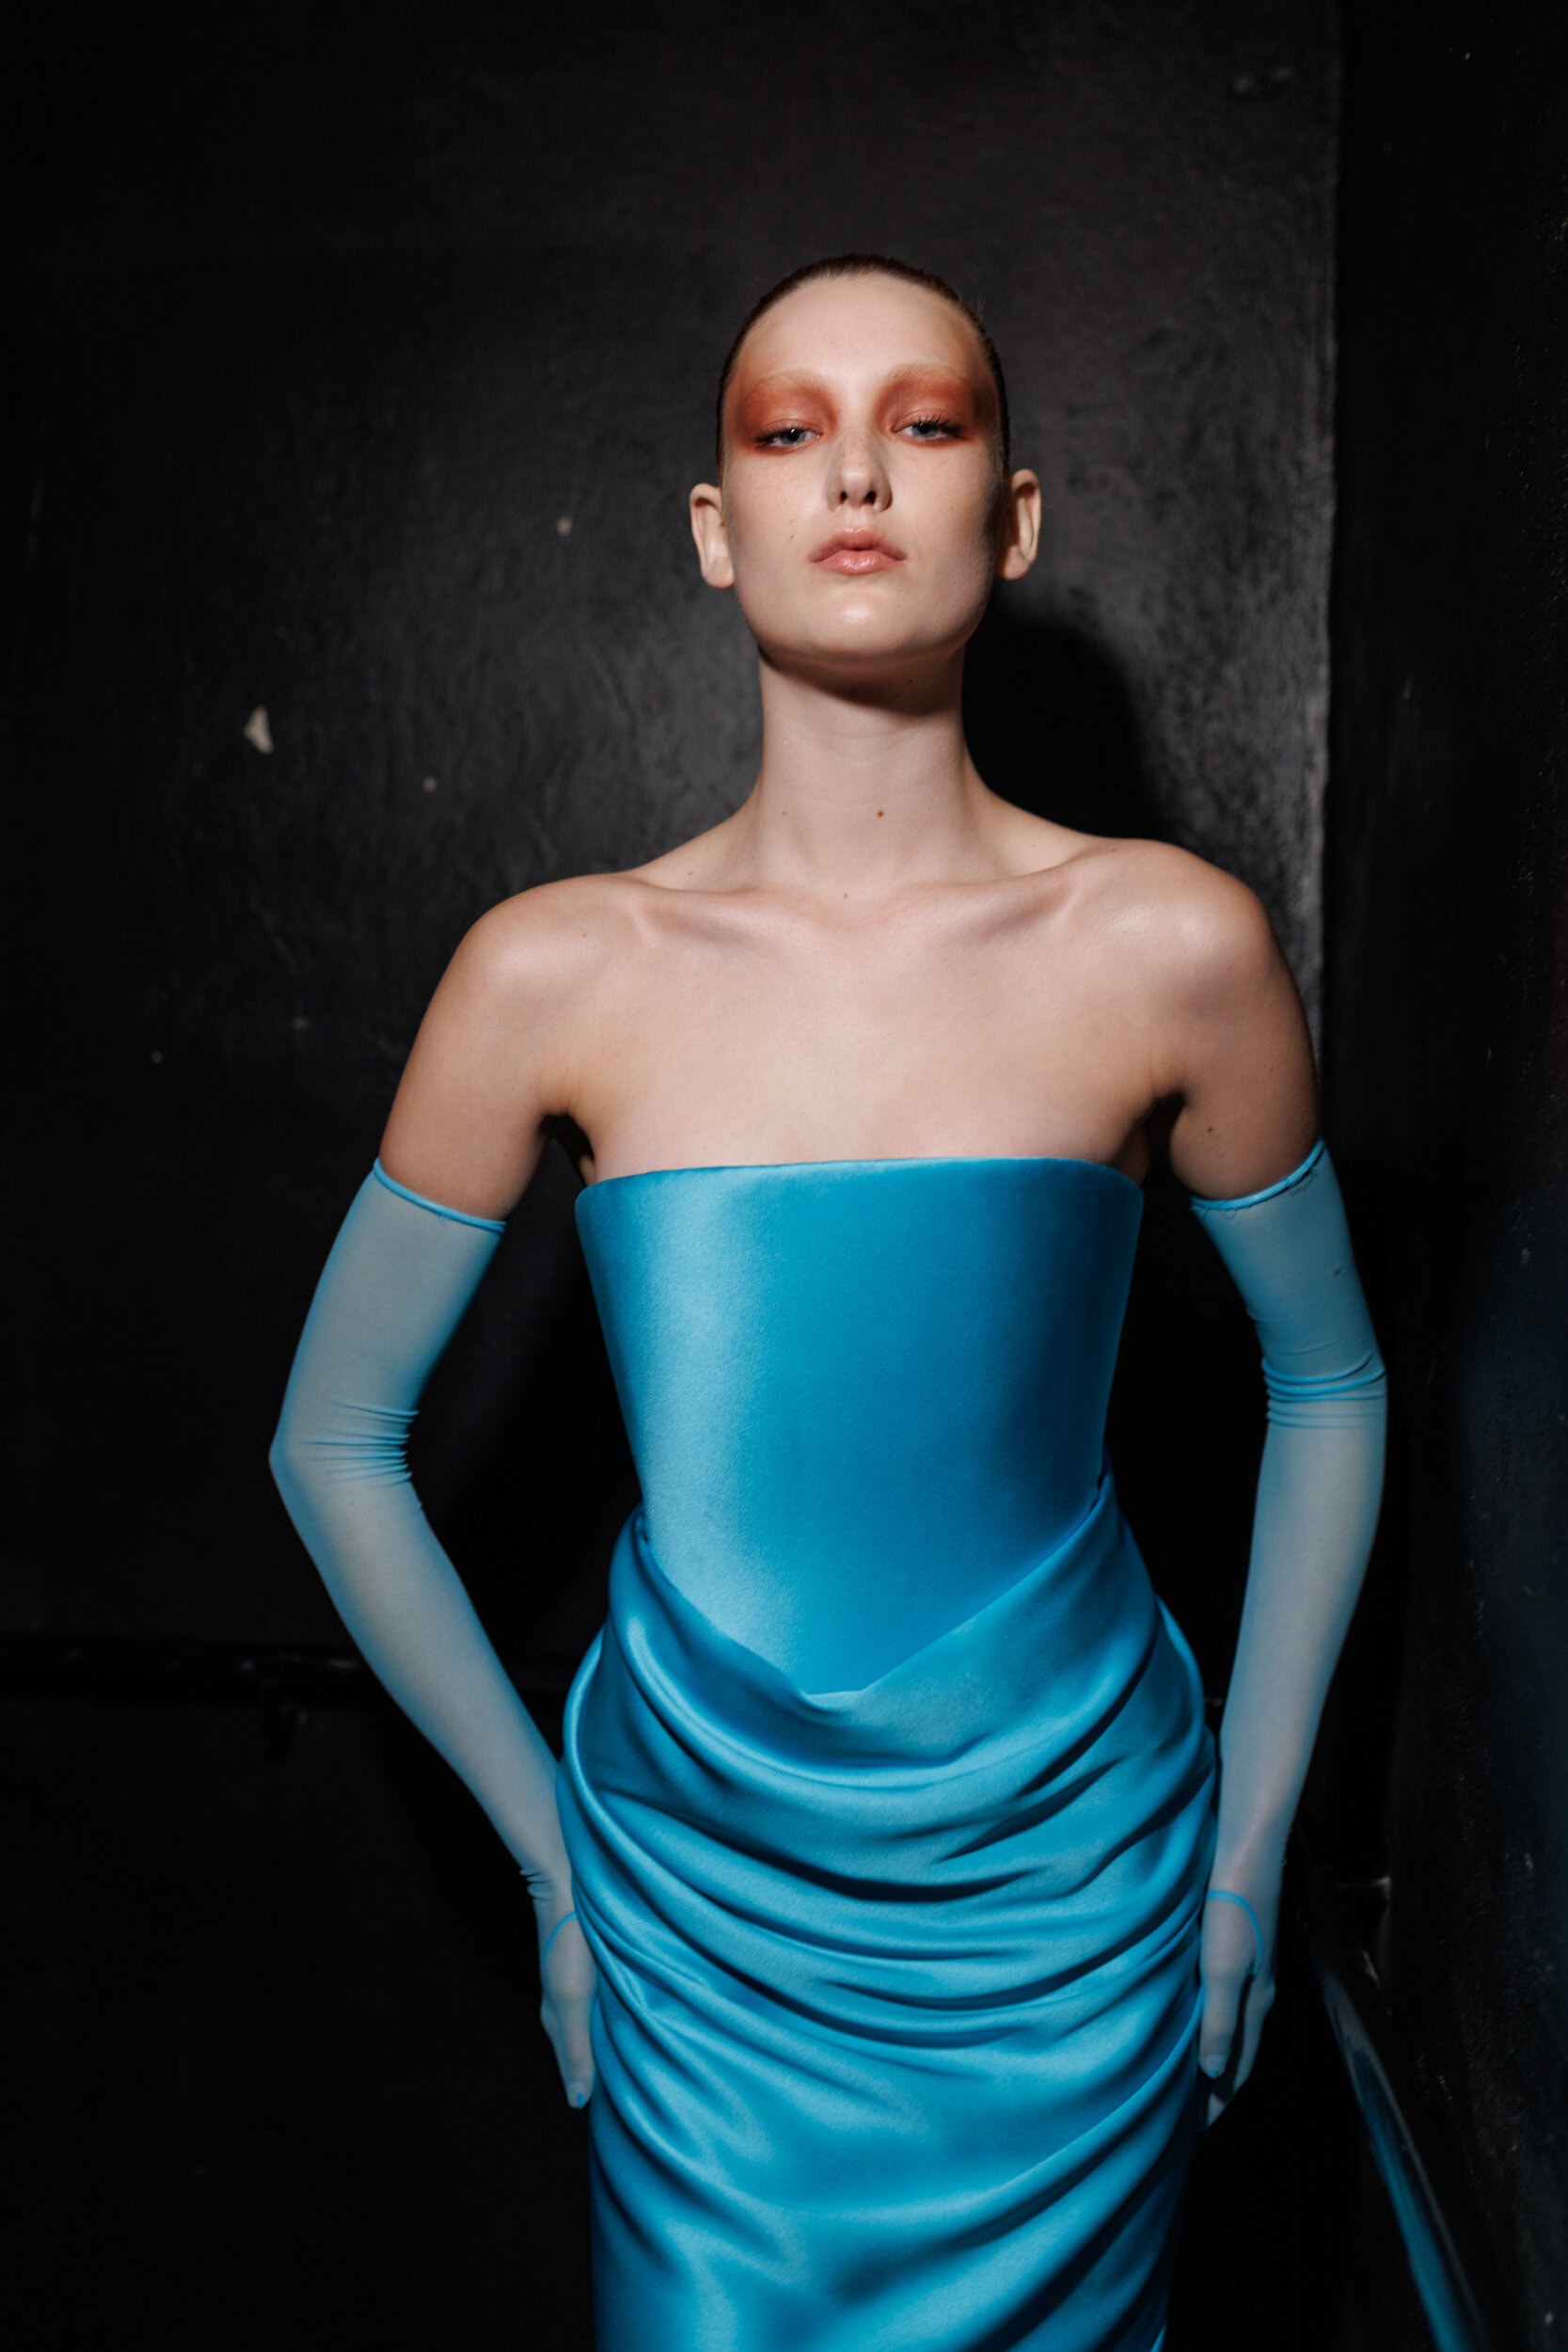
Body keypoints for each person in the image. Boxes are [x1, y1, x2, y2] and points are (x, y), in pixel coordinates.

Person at [270, 255, 1386, 2351]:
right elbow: (331, 1440)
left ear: (1014, 516)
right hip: (703, 1930)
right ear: (718, 527)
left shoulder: (1171, 946)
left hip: (1077, 1917)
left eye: (924, 424)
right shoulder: (553, 971)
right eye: (791, 430)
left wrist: (1243, 1858)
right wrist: (553, 1859)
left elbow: (1331, 1377)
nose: (856, 474)